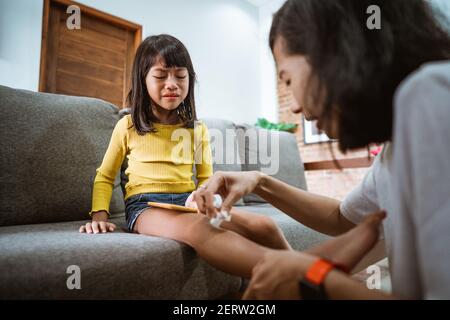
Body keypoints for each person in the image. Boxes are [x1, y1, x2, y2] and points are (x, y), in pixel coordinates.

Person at [194, 0, 450, 299]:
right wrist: (259, 181)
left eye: (288, 79)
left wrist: (315, 281)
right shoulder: (393, 152)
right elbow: (342, 219)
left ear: (334, 50)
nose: (295, 106)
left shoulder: (429, 97)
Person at [79, 34, 298, 279]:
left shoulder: (196, 129)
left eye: (180, 76)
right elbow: (105, 177)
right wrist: (99, 216)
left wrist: (202, 195)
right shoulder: (127, 126)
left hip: (187, 200)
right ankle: (299, 280)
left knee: (263, 225)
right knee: (201, 229)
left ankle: (305, 283)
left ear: (189, 80)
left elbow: (205, 177)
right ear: (143, 81)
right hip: (144, 206)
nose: (172, 83)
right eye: (161, 76)